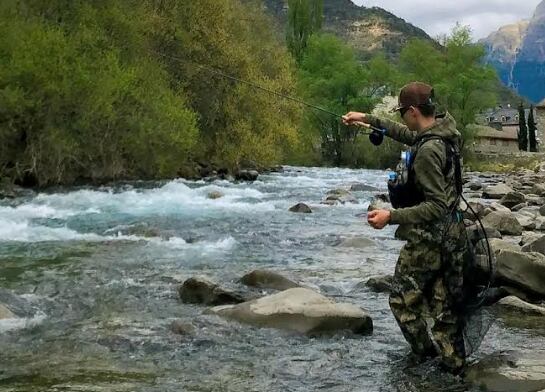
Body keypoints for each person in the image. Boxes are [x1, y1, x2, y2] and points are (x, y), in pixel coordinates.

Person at [343, 82, 469, 372]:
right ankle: (453, 369)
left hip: (431, 239)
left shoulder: (427, 152)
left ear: (413, 111)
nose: (401, 118)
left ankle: (425, 358)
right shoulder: (446, 132)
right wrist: (366, 119)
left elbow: (435, 206)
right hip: (454, 234)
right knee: (443, 307)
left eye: (403, 113)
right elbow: (407, 135)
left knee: (401, 299)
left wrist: (391, 216)